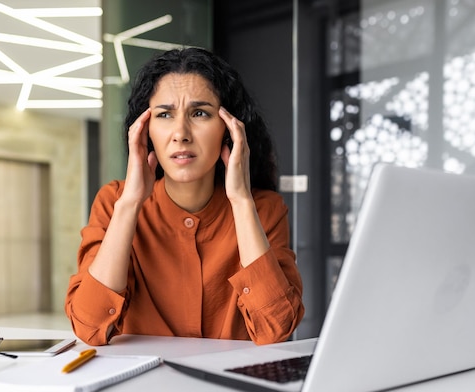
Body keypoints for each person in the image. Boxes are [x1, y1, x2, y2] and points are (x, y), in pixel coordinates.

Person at [65, 47, 305, 346]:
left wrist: (241, 201)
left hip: (228, 388)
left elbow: (276, 328)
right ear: (144, 130)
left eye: (200, 113)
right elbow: (89, 326)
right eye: (164, 114)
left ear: (229, 130)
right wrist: (129, 204)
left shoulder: (263, 209)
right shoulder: (114, 200)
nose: (181, 133)